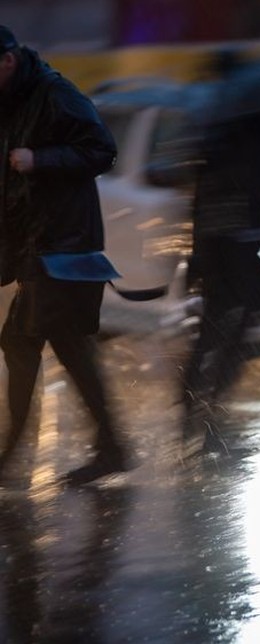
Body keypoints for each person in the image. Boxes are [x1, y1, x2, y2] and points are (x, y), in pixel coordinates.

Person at [0, 26, 133, 485]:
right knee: (30, 342)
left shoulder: (55, 94)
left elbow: (102, 150)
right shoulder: (12, 99)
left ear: (8, 61)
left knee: (59, 344)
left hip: (63, 246)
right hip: (36, 244)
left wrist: (41, 159)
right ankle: (107, 447)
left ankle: (18, 449)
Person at [181, 53, 260, 454]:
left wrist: (197, 253)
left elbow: (202, 187)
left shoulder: (214, 119)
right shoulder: (254, 121)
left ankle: (193, 415)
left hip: (218, 239)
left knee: (218, 328)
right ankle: (207, 418)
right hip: (238, 239)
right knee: (235, 329)